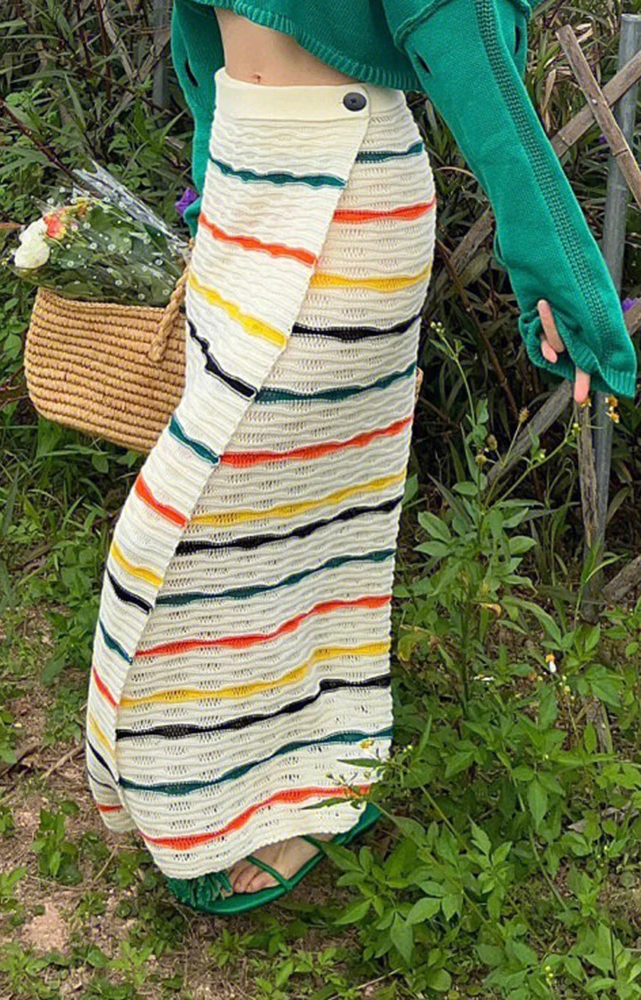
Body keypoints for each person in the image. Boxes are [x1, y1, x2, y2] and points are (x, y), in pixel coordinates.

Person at [85, 0, 637, 914]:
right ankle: (289, 781)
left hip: (340, 199)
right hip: (242, 200)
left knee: (208, 525)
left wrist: (559, 271)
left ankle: (284, 787)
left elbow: (461, 34)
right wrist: (215, 184)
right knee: (284, 530)